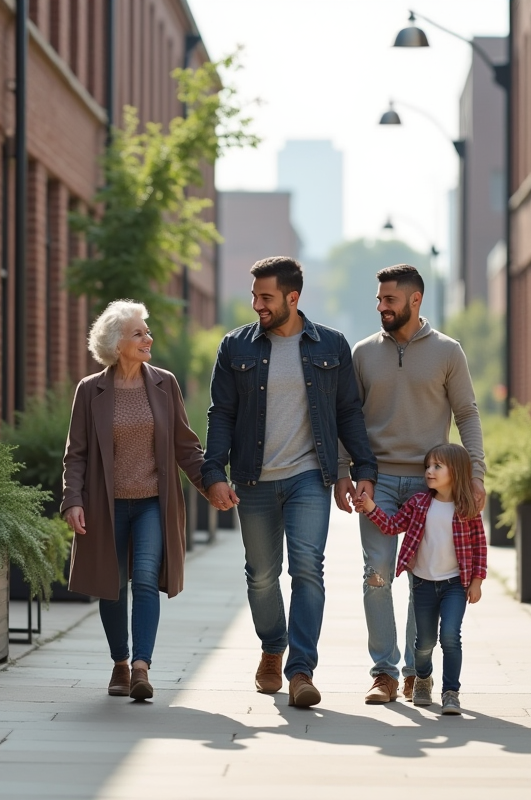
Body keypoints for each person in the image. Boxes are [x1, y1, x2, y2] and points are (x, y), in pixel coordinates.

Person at [203, 256, 377, 708]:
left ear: (292, 298)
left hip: (307, 477)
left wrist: (363, 471)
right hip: (253, 479)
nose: (257, 304)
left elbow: (347, 414)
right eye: (255, 295)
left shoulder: (331, 346)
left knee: (307, 569)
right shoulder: (235, 347)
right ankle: (272, 647)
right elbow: (221, 413)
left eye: (266, 297)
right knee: (261, 576)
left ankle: (301, 670)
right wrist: (212, 472)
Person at [335, 263, 487, 705]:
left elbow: (468, 414)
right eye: (379, 299)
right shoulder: (363, 353)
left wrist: (475, 475)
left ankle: (413, 673)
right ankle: (382, 672)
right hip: (376, 480)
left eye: (390, 300)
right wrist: (345, 472)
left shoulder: (447, 352)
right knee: (377, 574)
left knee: (424, 580)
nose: (381, 306)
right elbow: (350, 417)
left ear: (415, 300)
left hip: (432, 486)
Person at [61, 300, 206, 701]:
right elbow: (77, 453)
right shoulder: (90, 391)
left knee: (143, 578)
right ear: (115, 342)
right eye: (138, 333)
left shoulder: (164, 384)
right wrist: (72, 499)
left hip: (151, 504)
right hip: (105, 506)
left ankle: (142, 667)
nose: (148, 338)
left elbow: (185, 445)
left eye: (147, 331)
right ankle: (120, 663)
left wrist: (211, 484)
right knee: (112, 585)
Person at [353, 443, 486, 715]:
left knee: (450, 636)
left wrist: (477, 581)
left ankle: (451, 692)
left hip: (454, 586)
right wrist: (370, 507)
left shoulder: (467, 508)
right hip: (424, 584)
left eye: (437, 466)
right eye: (427, 466)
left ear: (457, 472)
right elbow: (392, 526)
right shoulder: (418, 504)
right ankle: (422, 678)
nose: (429, 471)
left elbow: (480, 547)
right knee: (424, 643)